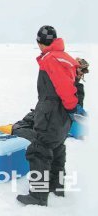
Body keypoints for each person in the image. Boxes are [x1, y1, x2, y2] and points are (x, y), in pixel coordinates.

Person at [17, 26, 78, 206]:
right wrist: (69, 109)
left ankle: (38, 196)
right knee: (57, 146)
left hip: (52, 110)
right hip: (62, 112)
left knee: (39, 149)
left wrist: (69, 105)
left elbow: (64, 87)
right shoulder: (65, 57)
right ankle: (56, 186)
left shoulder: (51, 59)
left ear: (39, 42)